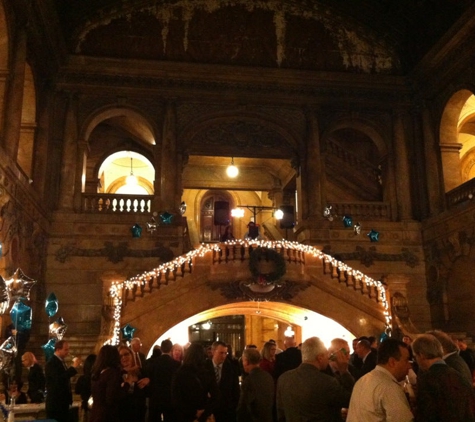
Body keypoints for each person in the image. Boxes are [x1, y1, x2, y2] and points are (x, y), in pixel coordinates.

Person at [276, 336, 352, 422]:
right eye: (326, 355)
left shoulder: (284, 378)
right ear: (320, 358)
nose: (328, 358)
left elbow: (281, 413)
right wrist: (344, 372)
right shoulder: (327, 382)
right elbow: (351, 400)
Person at [346, 338, 413, 422]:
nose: (409, 366)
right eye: (406, 360)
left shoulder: (361, 381)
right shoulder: (389, 388)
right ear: (392, 362)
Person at [412, 333, 475, 422]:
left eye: (415, 356)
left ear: (421, 355)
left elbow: (427, 415)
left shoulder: (428, 379)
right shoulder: (457, 375)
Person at [172, 342, 218, 422]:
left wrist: (192, 412)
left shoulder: (179, 373)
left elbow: (176, 399)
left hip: (185, 416)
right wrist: (205, 412)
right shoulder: (206, 372)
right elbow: (216, 396)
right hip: (203, 414)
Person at [45, 340, 82, 422]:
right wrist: (73, 367)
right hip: (56, 404)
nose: (68, 352)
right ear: (58, 350)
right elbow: (59, 379)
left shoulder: (61, 362)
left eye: (68, 349)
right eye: (65, 350)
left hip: (62, 403)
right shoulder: (52, 363)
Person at [90, 345, 129, 422]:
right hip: (107, 416)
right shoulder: (112, 373)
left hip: (96, 414)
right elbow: (111, 398)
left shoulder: (97, 373)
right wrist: (127, 384)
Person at [205, 340, 240, 422]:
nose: (224, 356)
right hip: (209, 411)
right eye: (221, 353)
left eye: (225, 353)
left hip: (226, 411)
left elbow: (236, 391)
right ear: (213, 352)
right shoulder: (204, 367)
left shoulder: (231, 368)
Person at [147, 339, 181, 422]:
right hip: (170, 399)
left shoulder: (153, 363)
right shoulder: (176, 364)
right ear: (171, 349)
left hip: (155, 399)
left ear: (161, 349)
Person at [237, 348, 274, 422]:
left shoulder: (248, 381)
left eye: (243, 361)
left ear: (246, 361)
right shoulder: (268, 376)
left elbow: (243, 407)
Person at [118, 345, 149, 422]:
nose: (124, 357)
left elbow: (148, 392)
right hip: (123, 413)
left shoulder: (140, 371)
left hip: (139, 412)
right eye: (121, 356)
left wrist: (148, 381)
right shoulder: (118, 374)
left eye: (126, 354)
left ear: (131, 354)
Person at [75, 353, 97, 421]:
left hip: (85, 406)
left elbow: (77, 391)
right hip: (96, 407)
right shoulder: (98, 378)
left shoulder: (82, 378)